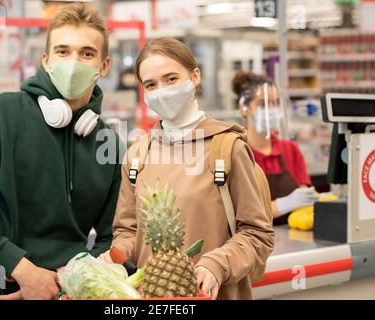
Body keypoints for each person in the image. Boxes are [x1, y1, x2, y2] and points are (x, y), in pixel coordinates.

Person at [0, 2, 122, 300]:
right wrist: (21, 268)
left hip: (58, 294)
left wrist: (70, 282)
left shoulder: (108, 142)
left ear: (104, 65)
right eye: (62, 51)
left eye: (87, 53)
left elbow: (112, 238)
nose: (74, 62)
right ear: (46, 60)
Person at [99, 38, 275, 300]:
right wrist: (113, 257)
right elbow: (129, 232)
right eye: (151, 85)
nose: (162, 91)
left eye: (171, 79)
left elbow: (257, 234)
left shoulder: (227, 147)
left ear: (195, 76)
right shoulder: (137, 155)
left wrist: (215, 265)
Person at [232, 71, 319, 225]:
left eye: (275, 103)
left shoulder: (290, 150)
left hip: (293, 237)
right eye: (263, 104)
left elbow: (303, 198)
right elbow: (239, 213)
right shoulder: (237, 152)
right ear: (244, 108)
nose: (271, 110)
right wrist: (283, 204)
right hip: (254, 242)